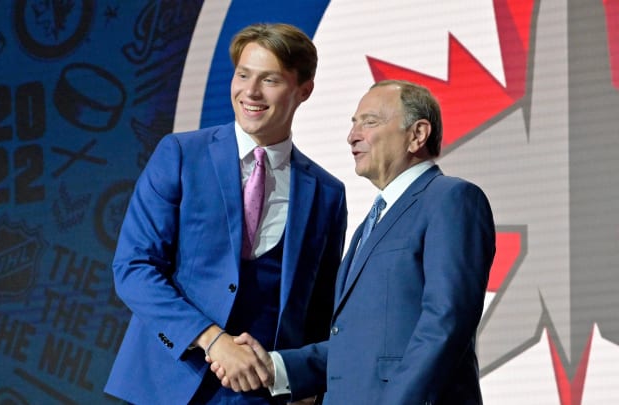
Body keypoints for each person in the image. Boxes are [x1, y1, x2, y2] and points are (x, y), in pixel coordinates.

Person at [104, 22, 348, 405]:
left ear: (304, 90)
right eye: (243, 75)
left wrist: (305, 385)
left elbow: (319, 309)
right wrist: (212, 340)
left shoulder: (327, 193)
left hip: (261, 393)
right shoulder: (181, 155)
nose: (250, 92)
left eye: (269, 80)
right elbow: (134, 268)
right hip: (169, 383)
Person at [211, 79, 496, 404]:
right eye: (353, 124)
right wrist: (277, 367)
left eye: (369, 122)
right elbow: (355, 344)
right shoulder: (371, 223)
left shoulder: (451, 199)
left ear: (417, 134)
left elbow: (446, 320)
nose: (352, 136)